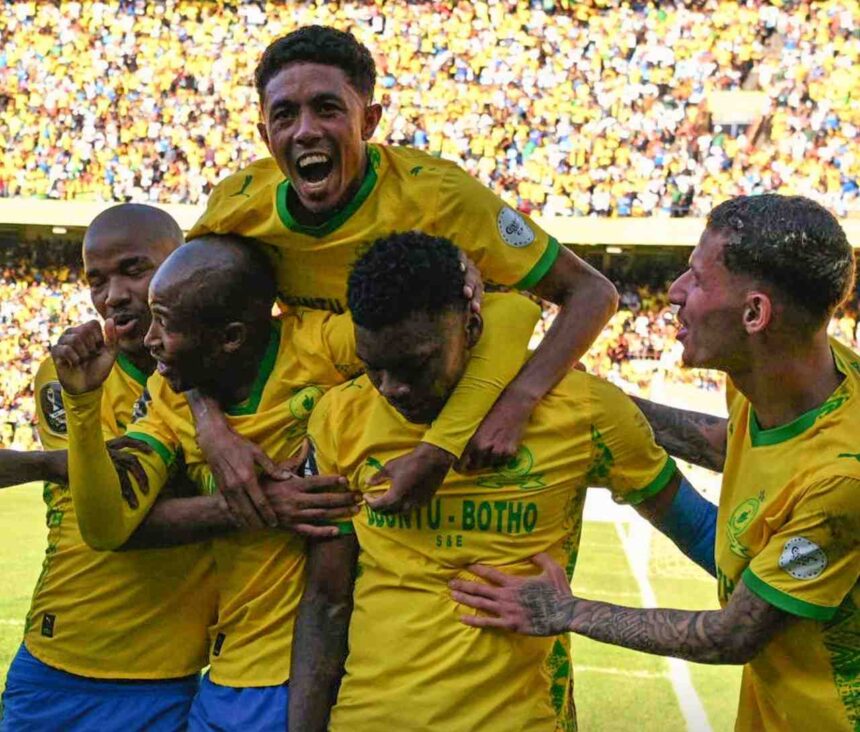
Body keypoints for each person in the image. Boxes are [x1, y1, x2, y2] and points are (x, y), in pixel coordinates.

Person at [52, 234, 540, 730]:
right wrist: (82, 407)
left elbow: (504, 314)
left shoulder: (318, 346)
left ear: (232, 337)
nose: (150, 340)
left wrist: (440, 448)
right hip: (230, 674)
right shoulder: (170, 398)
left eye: (167, 324)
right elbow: (107, 527)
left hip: (326, 676)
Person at [450, 195, 860, 732]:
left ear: (755, 313)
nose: (674, 294)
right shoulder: (794, 374)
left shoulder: (843, 478)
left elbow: (731, 635)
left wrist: (564, 611)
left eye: (696, 278)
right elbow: (731, 443)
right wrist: (590, 404)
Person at [187, 24, 618, 518]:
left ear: (368, 121)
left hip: (430, 426)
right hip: (321, 437)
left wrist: (517, 401)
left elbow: (590, 292)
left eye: (327, 109)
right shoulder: (236, 206)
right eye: (285, 115)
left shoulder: (439, 196)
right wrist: (211, 427)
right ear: (266, 136)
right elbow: (185, 324)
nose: (305, 130)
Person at [297, 231, 694, 732]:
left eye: (415, 365)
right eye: (374, 367)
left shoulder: (584, 410)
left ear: (472, 325)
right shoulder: (340, 416)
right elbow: (326, 600)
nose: (392, 388)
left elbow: (701, 531)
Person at [0, 204, 216, 732]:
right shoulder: (69, 372)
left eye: (134, 270)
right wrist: (247, 505)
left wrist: (39, 465)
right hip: (62, 661)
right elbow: (117, 519)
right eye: (96, 279)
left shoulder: (221, 368)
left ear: (181, 266)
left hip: (172, 672)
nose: (112, 294)